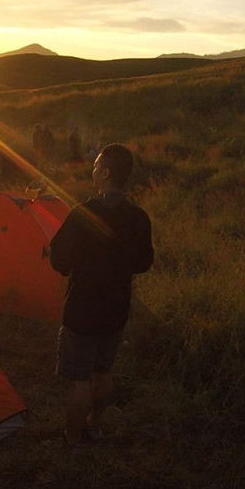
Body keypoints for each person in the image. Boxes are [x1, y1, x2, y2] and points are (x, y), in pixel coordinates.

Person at [49, 143, 154, 446]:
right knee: (103, 372)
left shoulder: (82, 213)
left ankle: (72, 436)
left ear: (105, 173)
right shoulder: (138, 217)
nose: (93, 170)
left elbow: (58, 259)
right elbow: (143, 263)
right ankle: (95, 424)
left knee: (79, 379)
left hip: (81, 309)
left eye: (96, 165)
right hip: (116, 308)